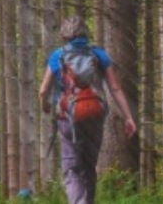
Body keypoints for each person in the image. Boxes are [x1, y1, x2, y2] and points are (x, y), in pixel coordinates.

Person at [38, 15, 137, 204]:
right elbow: (115, 88)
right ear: (85, 33)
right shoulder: (98, 54)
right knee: (89, 166)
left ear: (64, 36)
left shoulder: (58, 55)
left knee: (72, 168)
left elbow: (43, 90)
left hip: (67, 117)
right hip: (94, 113)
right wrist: (128, 117)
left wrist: (45, 106)